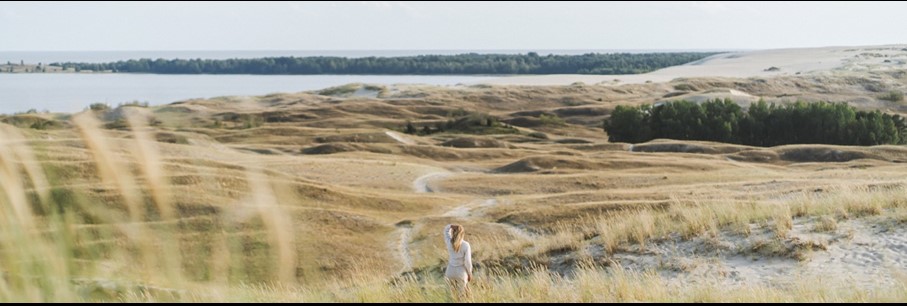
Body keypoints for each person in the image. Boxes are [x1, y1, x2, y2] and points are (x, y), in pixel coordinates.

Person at [443, 223, 473, 301]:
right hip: (461, 272)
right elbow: (468, 262)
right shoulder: (466, 245)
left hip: (450, 271)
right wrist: (469, 273)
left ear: (453, 232)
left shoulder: (449, 242)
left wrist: (450, 226)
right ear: (462, 233)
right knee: (461, 297)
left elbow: (445, 231)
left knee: (449, 297)